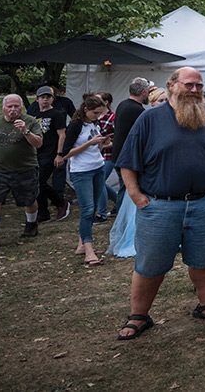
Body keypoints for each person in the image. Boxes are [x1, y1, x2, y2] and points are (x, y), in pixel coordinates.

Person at [114, 67, 205, 341]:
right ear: (171, 86)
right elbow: (126, 161)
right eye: (189, 85)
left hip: (204, 206)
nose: (195, 90)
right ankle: (138, 315)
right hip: (160, 207)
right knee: (150, 265)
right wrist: (137, 197)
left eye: (199, 85)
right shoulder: (149, 120)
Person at [0, 95, 44, 250]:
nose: (13, 110)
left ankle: (31, 224)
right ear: (3, 107)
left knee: (29, 200)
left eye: (16, 106)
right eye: (10, 106)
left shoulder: (30, 121)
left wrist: (25, 131)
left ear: (21, 107)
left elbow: (38, 143)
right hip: (0, 170)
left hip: (26, 168)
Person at [60, 94, 112, 266]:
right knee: (87, 210)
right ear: (86, 110)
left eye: (100, 114)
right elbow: (66, 153)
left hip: (98, 167)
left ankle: (82, 245)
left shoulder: (93, 123)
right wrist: (89, 144)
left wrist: (103, 143)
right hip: (81, 171)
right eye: (95, 113)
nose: (98, 117)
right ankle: (89, 252)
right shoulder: (75, 125)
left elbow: (96, 146)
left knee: (94, 207)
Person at [106, 78, 152, 257]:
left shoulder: (123, 105)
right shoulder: (136, 110)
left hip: (119, 156)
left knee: (123, 193)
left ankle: (122, 224)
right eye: (147, 92)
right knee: (127, 194)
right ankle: (124, 227)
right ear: (143, 93)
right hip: (128, 160)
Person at [30, 86, 70, 224]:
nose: (45, 99)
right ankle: (43, 213)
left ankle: (60, 202)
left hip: (50, 152)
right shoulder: (33, 115)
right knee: (36, 183)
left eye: (48, 97)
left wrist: (59, 154)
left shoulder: (56, 114)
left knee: (39, 181)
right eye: (42, 97)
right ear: (37, 99)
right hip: (36, 153)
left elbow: (62, 135)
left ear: (53, 99)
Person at [95, 91, 116, 220]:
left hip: (108, 155)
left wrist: (103, 145)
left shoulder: (113, 118)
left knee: (100, 182)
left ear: (106, 102)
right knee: (99, 182)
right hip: (96, 156)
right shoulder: (94, 117)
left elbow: (117, 140)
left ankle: (102, 214)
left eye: (98, 100)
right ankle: (119, 203)